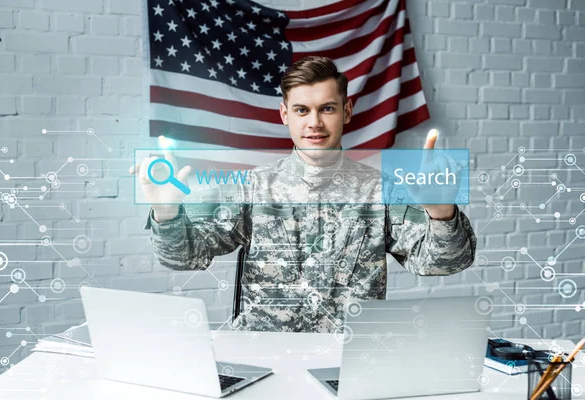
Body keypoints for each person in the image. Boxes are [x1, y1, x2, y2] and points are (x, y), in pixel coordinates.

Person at [131, 56, 477, 333]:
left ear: (347, 111)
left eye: (327, 108)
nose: (314, 122)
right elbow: (183, 259)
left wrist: (441, 212)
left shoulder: (381, 192)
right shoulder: (252, 188)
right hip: (262, 360)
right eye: (301, 110)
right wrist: (167, 213)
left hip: (350, 363)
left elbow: (442, 263)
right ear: (285, 114)